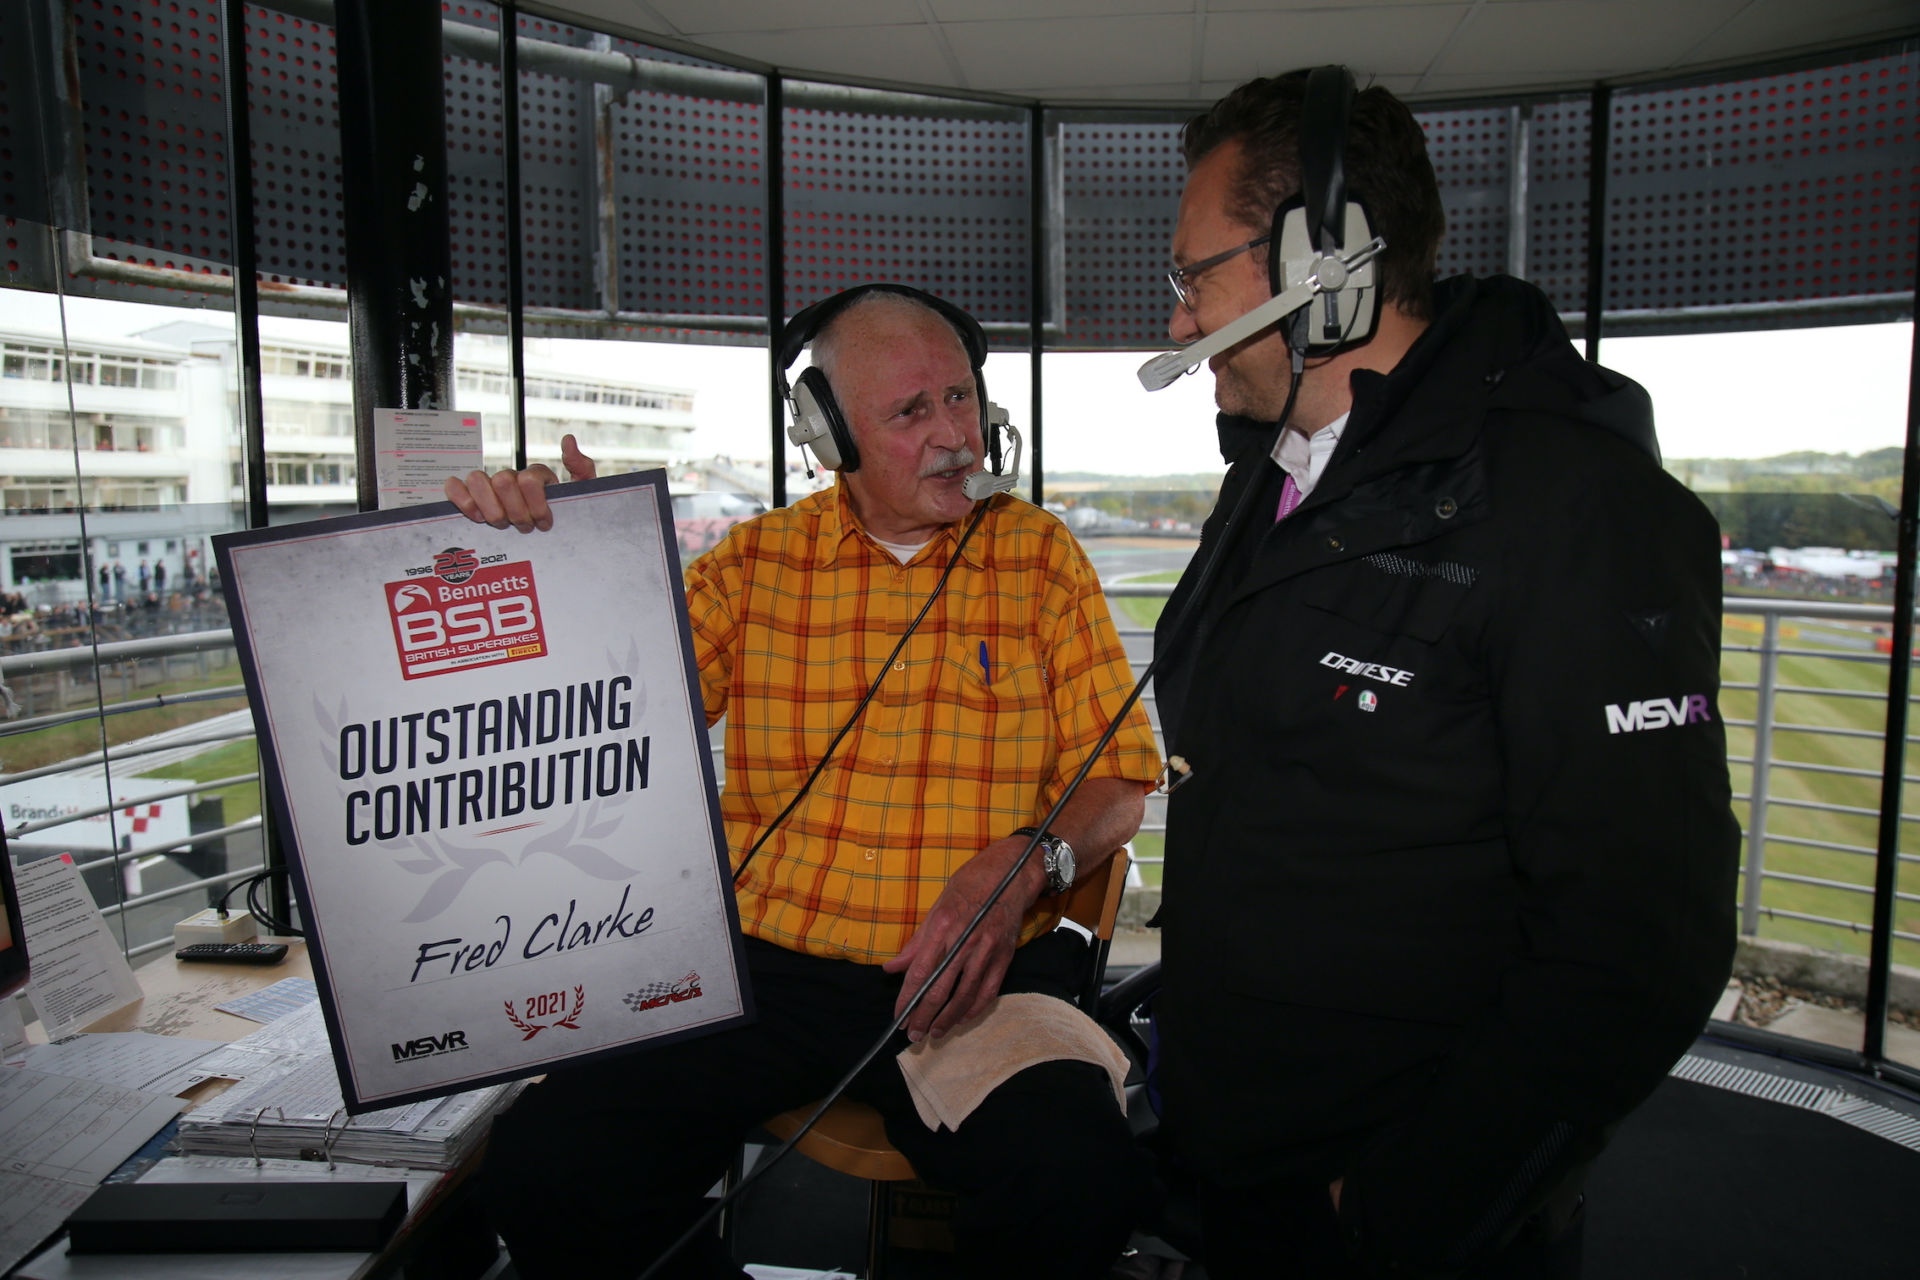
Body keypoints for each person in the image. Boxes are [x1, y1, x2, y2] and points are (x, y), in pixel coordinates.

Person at [1143, 68, 1739, 1278]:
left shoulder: (1571, 504)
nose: (1175, 322)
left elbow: (1641, 940)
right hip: (1242, 1150)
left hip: (1398, 1209)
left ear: (1321, 264)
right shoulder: (1279, 471)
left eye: (1191, 276)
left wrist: (1404, 1201)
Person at [445, 285, 1162, 1279]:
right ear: (827, 433)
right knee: (545, 1168)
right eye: (913, 411)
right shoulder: (753, 565)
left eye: (961, 397)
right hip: (758, 971)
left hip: (977, 971)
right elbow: (613, 706)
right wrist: (555, 565)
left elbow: (1121, 778)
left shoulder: (1040, 559)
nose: (956, 434)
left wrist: (1026, 859)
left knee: (1079, 1179)